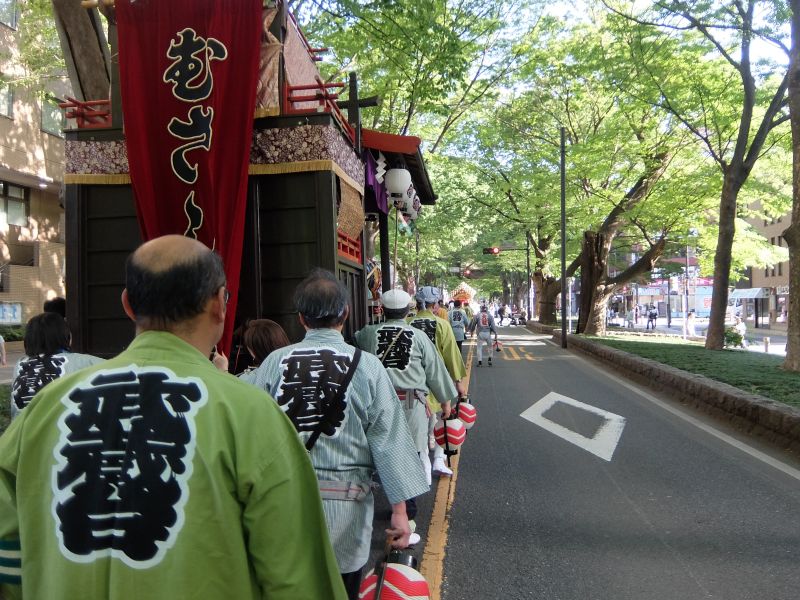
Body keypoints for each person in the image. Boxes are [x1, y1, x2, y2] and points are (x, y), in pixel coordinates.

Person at [0, 235, 346, 600]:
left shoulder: (46, 408)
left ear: (128, 305)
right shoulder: (251, 413)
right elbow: (297, 579)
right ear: (219, 303)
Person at [250, 270, 428, 599]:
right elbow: (389, 442)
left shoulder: (274, 363)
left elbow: (248, 429)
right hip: (346, 511)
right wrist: (400, 513)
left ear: (301, 318)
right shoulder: (368, 366)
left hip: (281, 506)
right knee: (342, 590)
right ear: (345, 313)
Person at [355, 289, 456, 542]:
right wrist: (446, 402)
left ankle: (381, 506)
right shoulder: (419, 337)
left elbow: (355, 341)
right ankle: (406, 515)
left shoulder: (368, 334)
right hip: (411, 403)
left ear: (382, 309)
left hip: (376, 403)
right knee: (408, 456)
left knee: (377, 452)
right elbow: (435, 371)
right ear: (408, 310)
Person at [407, 286, 467, 477]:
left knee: (420, 423)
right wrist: (458, 382)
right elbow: (452, 355)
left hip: (412, 383)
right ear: (434, 305)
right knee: (442, 417)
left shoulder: (407, 324)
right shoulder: (441, 324)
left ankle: (424, 461)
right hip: (437, 382)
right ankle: (439, 459)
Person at [10, 312, 104, 420]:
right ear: (67, 336)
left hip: (21, 430)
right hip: (64, 429)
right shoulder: (87, 362)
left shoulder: (20, 365)